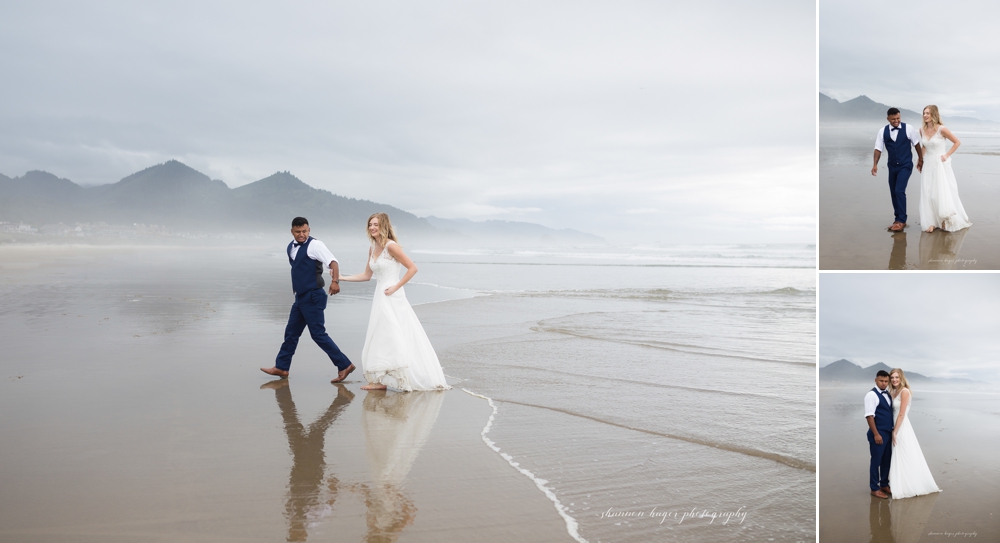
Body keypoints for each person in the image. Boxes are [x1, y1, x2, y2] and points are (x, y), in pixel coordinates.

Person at [339, 213, 450, 391]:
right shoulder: (372, 248)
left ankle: (396, 378)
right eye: (370, 224)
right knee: (381, 334)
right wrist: (342, 278)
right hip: (380, 295)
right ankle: (380, 380)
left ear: (384, 225)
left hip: (392, 295)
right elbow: (367, 276)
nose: (372, 227)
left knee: (394, 334)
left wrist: (396, 287)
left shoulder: (391, 246)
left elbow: (413, 268)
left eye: (375, 224)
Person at [261, 217, 356, 383]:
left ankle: (344, 365)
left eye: (304, 231)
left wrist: (335, 282)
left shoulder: (316, 245)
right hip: (300, 297)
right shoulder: (290, 247)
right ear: (292, 232)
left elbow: (333, 262)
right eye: (298, 232)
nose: (301, 234)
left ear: (309, 230)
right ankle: (282, 367)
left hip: (314, 295)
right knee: (291, 333)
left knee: (318, 334)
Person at [887, 368, 942, 499]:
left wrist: (895, 432)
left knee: (903, 453)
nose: (894, 379)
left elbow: (901, 414)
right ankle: (898, 482)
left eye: (897, 377)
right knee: (897, 454)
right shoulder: (893, 391)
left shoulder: (904, 391)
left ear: (901, 378)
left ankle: (907, 485)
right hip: (894, 424)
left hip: (901, 426)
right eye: (892, 377)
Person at [917, 105, 971, 233]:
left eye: (928, 113)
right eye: (924, 113)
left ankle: (944, 220)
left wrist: (946, 155)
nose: (925, 115)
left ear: (934, 114)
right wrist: (920, 160)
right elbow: (924, 146)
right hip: (928, 163)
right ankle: (931, 222)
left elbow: (957, 142)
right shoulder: (922, 130)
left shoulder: (942, 129)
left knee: (939, 192)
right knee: (928, 193)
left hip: (940, 164)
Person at [872, 107, 924, 232]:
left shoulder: (909, 128)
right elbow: (878, 149)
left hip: (905, 165)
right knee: (893, 192)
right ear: (888, 118)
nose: (896, 121)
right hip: (892, 166)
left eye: (898, 118)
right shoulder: (882, 131)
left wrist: (920, 160)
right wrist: (875, 165)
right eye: (893, 119)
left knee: (899, 190)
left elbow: (917, 144)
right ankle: (897, 219)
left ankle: (902, 220)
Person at [864, 370, 894, 499]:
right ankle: (874, 488)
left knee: (886, 460)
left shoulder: (887, 394)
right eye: (881, 381)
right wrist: (876, 434)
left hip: (887, 432)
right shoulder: (871, 395)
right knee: (876, 461)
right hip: (878, 433)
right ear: (875, 380)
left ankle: (884, 484)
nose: (884, 383)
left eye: (886, 381)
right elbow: (869, 416)